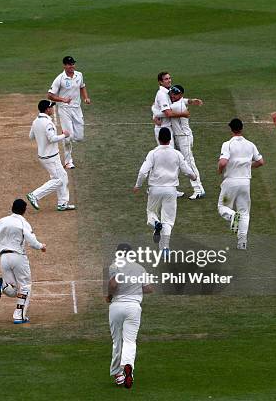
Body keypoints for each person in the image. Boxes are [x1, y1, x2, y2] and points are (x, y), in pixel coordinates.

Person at [134, 128, 196, 251]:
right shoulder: (176, 154)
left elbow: (142, 172)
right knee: (168, 220)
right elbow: (187, 170)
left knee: (151, 213)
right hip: (171, 190)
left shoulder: (153, 153)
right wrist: (193, 177)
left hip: (155, 189)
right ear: (170, 139)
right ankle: (165, 248)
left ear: (159, 138)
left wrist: (138, 185)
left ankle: (156, 223)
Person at [0, 199, 46, 324]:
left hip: (3, 257)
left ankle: (3, 285)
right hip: (18, 257)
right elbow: (31, 240)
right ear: (24, 210)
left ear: (12, 208)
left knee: (14, 290)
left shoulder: (2, 220)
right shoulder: (23, 222)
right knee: (25, 286)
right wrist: (41, 246)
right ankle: (19, 315)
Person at [106, 243, 153, 389]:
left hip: (117, 307)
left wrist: (109, 296)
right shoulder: (140, 268)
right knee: (130, 341)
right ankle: (128, 369)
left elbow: (113, 285)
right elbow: (149, 288)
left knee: (117, 341)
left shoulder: (114, 266)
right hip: (134, 308)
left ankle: (117, 374)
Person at [217, 119, 264, 250]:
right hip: (245, 183)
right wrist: (248, 166)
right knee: (244, 212)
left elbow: (222, 162)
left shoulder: (228, 144)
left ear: (231, 129)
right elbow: (260, 162)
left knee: (223, 206)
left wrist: (220, 170)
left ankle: (233, 217)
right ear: (242, 129)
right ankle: (242, 243)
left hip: (230, 183)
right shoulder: (250, 144)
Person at [154, 84, 205, 199]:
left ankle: (199, 189)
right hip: (178, 137)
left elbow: (163, 113)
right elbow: (182, 101)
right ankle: (170, 187)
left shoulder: (177, 106)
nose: (172, 95)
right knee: (175, 161)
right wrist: (191, 101)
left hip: (184, 137)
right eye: (172, 93)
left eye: (175, 94)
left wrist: (153, 110)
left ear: (180, 95)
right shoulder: (179, 101)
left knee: (189, 162)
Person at [26, 100, 75, 212]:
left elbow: (31, 136)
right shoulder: (47, 123)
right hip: (51, 157)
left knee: (62, 176)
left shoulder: (35, 121)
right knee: (59, 180)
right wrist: (64, 135)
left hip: (44, 156)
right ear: (47, 109)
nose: (52, 109)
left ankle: (62, 203)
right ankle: (35, 195)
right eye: (51, 107)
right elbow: (52, 139)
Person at [47, 56, 91, 169]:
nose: (72, 66)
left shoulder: (79, 75)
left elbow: (82, 86)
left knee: (79, 137)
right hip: (64, 109)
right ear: (64, 66)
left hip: (77, 108)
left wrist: (86, 98)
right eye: (69, 64)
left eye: (73, 64)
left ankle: (68, 136)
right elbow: (50, 95)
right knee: (67, 136)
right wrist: (63, 100)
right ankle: (68, 161)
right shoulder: (60, 78)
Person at [151, 72, 190, 147]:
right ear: (160, 82)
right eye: (166, 79)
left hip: (168, 127)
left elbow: (155, 104)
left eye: (169, 78)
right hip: (163, 128)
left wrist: (190, 101)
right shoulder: (162, 94)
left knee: (172, 152)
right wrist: (184, 114)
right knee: (167, 152)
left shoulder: (168, 91)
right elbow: (168, 114)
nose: (169, 80)